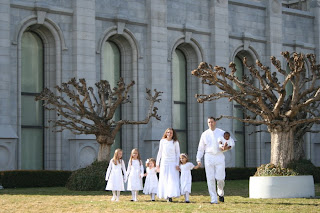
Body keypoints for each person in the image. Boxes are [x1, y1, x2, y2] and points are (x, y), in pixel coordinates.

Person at [196, 117, 235, 204]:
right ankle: (213, 199)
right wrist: (198, 159)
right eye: (209, 122)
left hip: (219, 156)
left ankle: (220, 192)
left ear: (215, 122)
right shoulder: (204, 134)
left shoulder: (221, 132)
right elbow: (201, 148)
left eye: (212, 122)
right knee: (210, 179)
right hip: (208, 156)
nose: (210, 123)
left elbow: (231, 142)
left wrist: (227, 147)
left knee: (220, 178)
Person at [156, 128, 180, 202]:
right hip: (164, 162)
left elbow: (177, 153)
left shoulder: (175, 142)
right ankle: (165, 194)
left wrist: (177, 163)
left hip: (172, 162)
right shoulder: (162, 141)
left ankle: (170, 195)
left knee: (171, 179)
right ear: (166, 133)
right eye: (168, 132)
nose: (169, 134)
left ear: (173, 134)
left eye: (171, 133)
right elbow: (160, 152)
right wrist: (157, 163)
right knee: (164, 178)